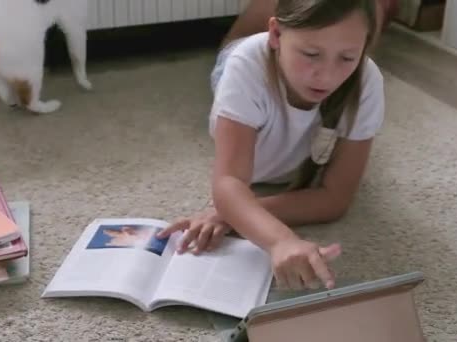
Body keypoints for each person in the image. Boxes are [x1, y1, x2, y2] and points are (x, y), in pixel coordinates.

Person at [158, 0, 386, 291]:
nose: (327, 76)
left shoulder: (367, 79)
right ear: (276, 34)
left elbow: (335, 199)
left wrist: (229, 216)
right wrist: (280, 239)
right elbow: (229, 182)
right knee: (233, 51)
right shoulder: (246, 66)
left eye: (347, 57)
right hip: (243, 58)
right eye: (311, 53)